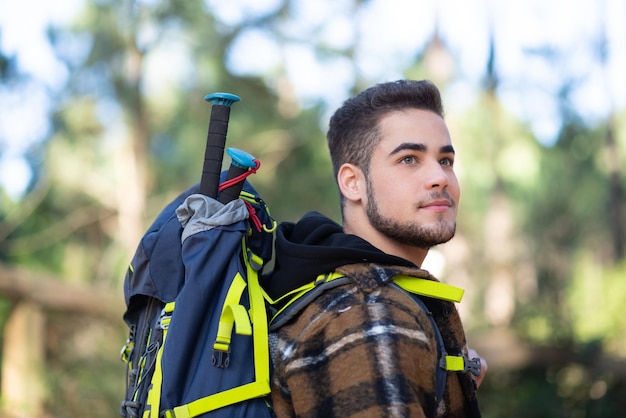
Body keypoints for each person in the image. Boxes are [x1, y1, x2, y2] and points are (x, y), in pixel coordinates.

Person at [264, 79, 486, 417]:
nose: (439, 177)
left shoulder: (348, 293)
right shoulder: (371, 313)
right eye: (409, 159)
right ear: (353, 182)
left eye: (446, 160)